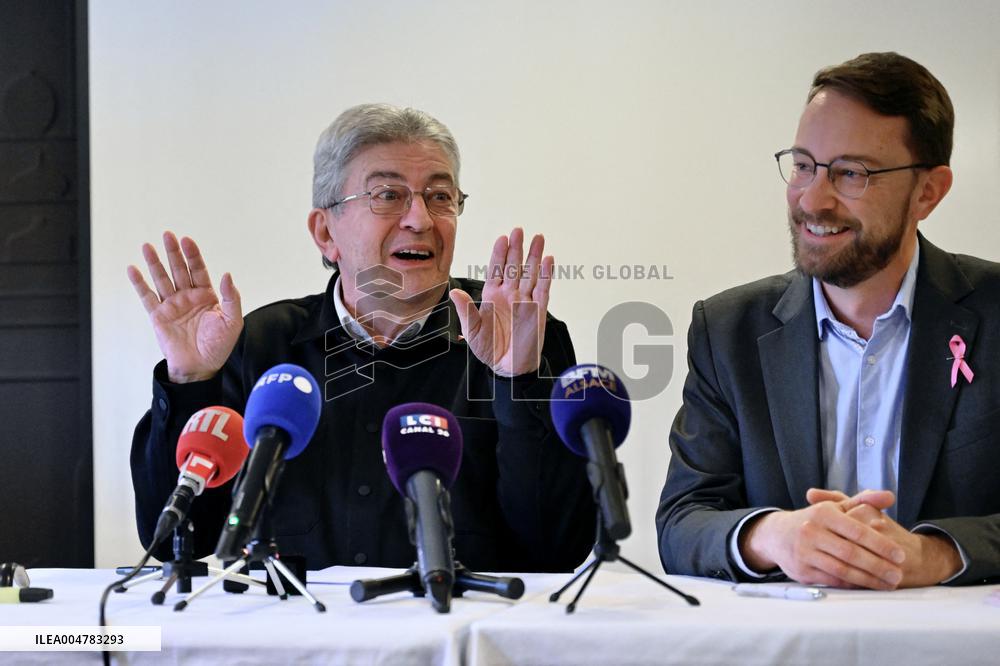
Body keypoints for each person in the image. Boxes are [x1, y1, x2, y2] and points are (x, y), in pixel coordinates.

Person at [128, 103, 595, 572]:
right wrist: (190, 383)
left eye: (440, 196)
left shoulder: (520, 335)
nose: (420, 219)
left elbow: (558, 550)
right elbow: (175, 540)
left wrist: (517, 381)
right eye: (388, 195)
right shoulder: (259, 345)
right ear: (325, 232)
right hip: (297, 618)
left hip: (461, 618)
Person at [657, 52, 1000, 589]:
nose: (813, 199)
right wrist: (771, 536)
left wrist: (936, 555)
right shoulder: (727, 331)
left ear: (928, 192)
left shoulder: (993, 314)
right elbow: (682, 521)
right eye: (803, 165)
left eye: (851, 173)